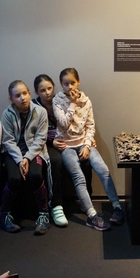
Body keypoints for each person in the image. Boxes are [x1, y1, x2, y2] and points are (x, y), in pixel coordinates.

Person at [52, 68, 125, 231]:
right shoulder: (57, 100)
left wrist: (86, 145)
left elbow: (90, 126)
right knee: (79, 177)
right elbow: (63, 123)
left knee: (103, 170)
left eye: (72, 83)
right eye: (66, 84)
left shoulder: (86, 101)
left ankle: (117, 207)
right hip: (66, 145)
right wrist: (73, 104)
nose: (70, 87)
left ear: (78, 82)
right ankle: (92, 215)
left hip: (84, 143)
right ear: (61, 85)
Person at [33, 74, 94, 227]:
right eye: (42, 90)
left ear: (54, 87)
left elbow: (80, 121)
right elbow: (33, 132)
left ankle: (85, 200)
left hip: (70, 141)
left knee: (86, 160)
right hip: (47, 143)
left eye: (49, 88)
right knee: (55, 160)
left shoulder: (62, 100)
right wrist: (51, 141)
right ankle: (56, 205)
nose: (47, 92)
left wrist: (87, 139)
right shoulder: (35, 107)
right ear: (37, 92)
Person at [0, 80, 52, 235]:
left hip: (34, 151)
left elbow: (41, 139)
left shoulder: (40, 112)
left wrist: (27, 158)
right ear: (11, 99)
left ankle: (43, 214)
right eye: (17, 95)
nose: (22, 98)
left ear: (29, 93)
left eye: (24, 93)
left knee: (35, 174)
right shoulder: (7, 114)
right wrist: (19, 160)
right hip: (13, 153)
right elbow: (8, 140)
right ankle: (5, 215)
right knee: (14, 178)